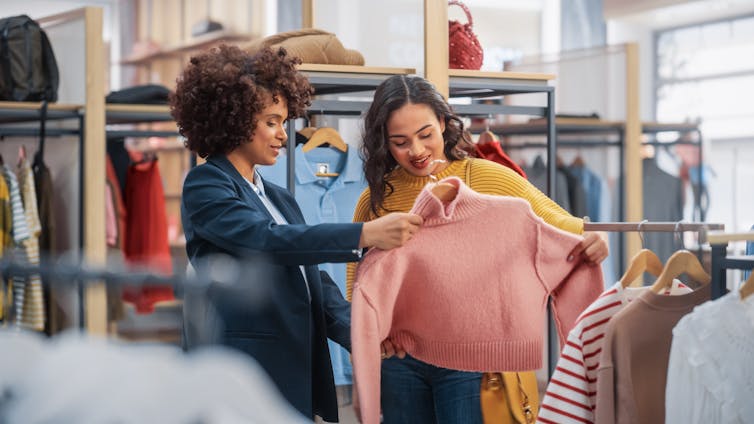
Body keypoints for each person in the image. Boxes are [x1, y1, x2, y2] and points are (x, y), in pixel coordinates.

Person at [171, 45, 422, 423]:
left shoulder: (278, 196)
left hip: (291, 366)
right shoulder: (206, 184)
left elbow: (311, 279)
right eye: (272, 122)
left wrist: (364, 334)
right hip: (246, 371)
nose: (283, 136)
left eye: (284, 122)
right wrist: (364, 233)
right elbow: (265, 240)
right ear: (234, 120)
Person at [346, 75, 608, 423]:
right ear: (385, 143)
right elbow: (358, 279)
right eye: (401, 142)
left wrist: (592, 239)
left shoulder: (488, 177)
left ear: (443, 123)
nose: (418, 151)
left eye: (426, 135)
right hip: (400, 360)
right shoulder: (376, 199)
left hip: (471, 361)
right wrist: (374, 338)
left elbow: (560, 224)